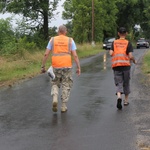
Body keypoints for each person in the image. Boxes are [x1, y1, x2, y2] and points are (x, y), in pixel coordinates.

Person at [41, 25, 81, 113]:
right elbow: (75, 55)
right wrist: (78, 67)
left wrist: (43, 66)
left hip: (56, 66)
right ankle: (63, 106)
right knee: (66, 85)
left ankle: (55, 97)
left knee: (55, 83)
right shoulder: (70, 40)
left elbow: (46, 54)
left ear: (58, 31)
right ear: (65, 32)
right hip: (67, 66)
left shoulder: (52, 40)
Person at [109, 27, 136, 110]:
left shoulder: (114, 43)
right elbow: (130, 56)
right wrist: (134, 60)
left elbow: (110, 53)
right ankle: (126, 101)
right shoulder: (128, 43)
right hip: (126, 66)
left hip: (116, 66)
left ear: (118, 33)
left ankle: (119, 97)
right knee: (126, 82)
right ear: (126, 34)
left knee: (118, 82)